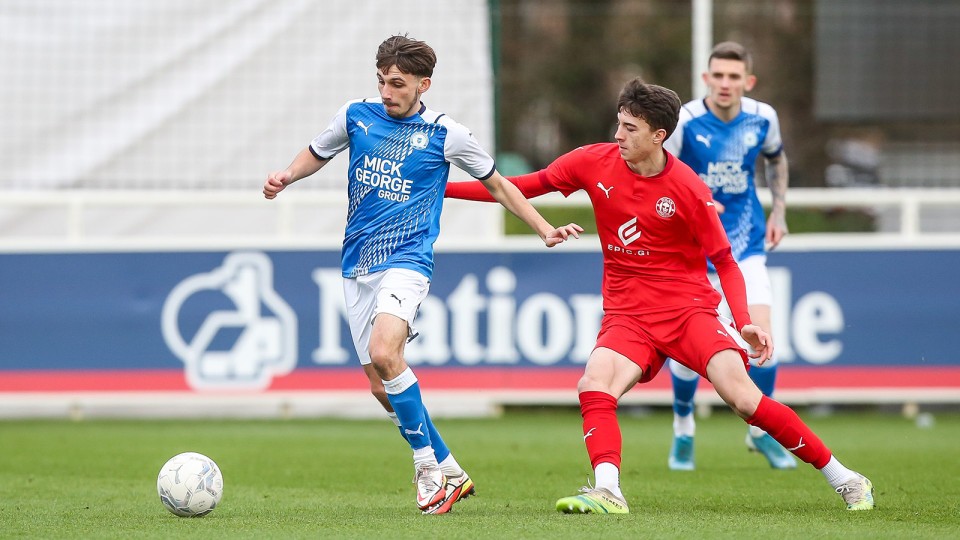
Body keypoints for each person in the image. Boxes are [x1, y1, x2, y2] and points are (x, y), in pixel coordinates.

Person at [444, 78, 874, 513]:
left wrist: (743, 319)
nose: (618, 135)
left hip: (688, 312)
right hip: (627, 315)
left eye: (630, 128)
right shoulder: (592, 162)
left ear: (658, 136)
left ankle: (847, 479)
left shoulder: (688, 188)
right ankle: (608, 490)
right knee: (594, 384)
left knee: (745, 400)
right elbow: (521, 185)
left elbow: (725, 261)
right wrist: (440, 189)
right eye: (619, 124)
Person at [263, 34, 581, 515]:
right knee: (380, 384)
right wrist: (287, 175)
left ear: (422, 85)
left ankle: (428, 471)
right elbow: (317, 151)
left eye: (397, 84)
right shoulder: (356, 115)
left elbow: (497, 183)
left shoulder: (446, 133)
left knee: (384, 351)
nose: (387, 92)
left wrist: (542, 229)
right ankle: (450, 466)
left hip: (408, 260)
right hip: (356, 265)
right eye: (382, 82)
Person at [662, 41, 794, 471]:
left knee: (763, 338)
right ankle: (684, 429)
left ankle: (761, 433)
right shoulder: (684, 121)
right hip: (693, 252)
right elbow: (662, 175)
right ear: (706, 78)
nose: (725, 83)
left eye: (733, 76)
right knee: (688, 350)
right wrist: (692, 205)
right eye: (717, 75)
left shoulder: (763, 118)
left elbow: (776, 160)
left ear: (747, 82)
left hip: (745, 246)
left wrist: (779, 211)